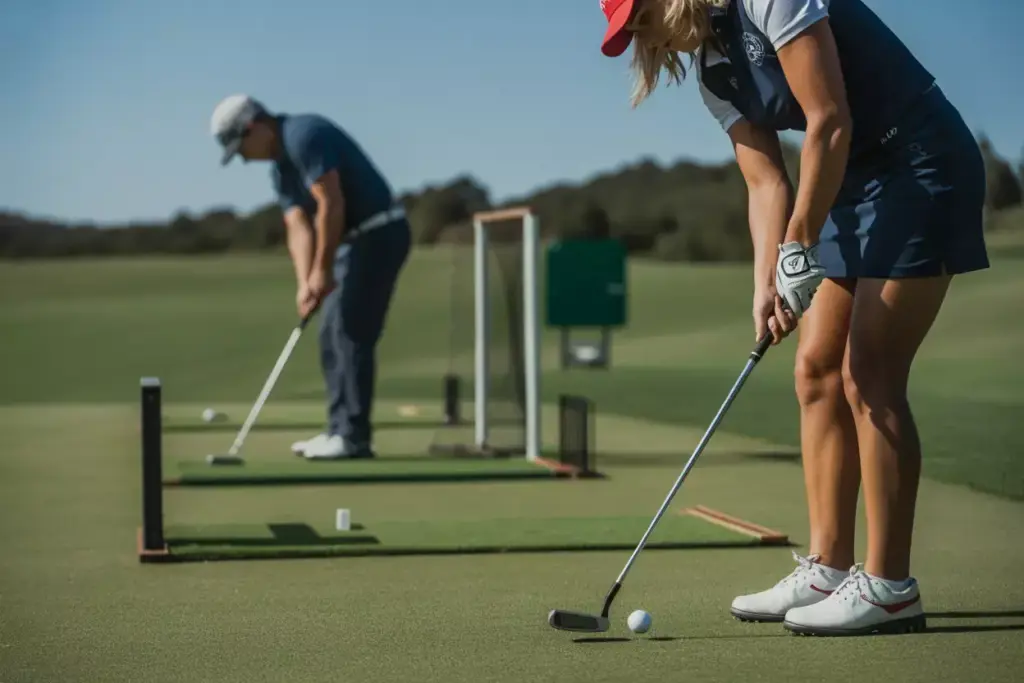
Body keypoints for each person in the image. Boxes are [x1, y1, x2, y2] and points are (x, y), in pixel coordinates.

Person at [597, 0, 989, 636]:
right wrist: (766, 283)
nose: (643, 38)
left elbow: (829, 118)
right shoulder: (714, 73)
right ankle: (827, 568)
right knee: (815, 369)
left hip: (918, 162)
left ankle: (890, 586)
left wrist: (799, 243)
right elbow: (765, 185)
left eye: (640, 18)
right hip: (849, 183)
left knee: (870, 370)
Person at [210, 94, 411, 460]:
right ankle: (339, 430)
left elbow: (331, 203)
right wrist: (306, 281)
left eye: (241, 148)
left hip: (380, 232)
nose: (242, 158)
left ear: (255, 127)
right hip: (352, 243)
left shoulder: (305, 135)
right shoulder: (280, 169)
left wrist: (322, 269)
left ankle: (353, 438)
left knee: (350, 329)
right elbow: (297, 224)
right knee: (329, 331)